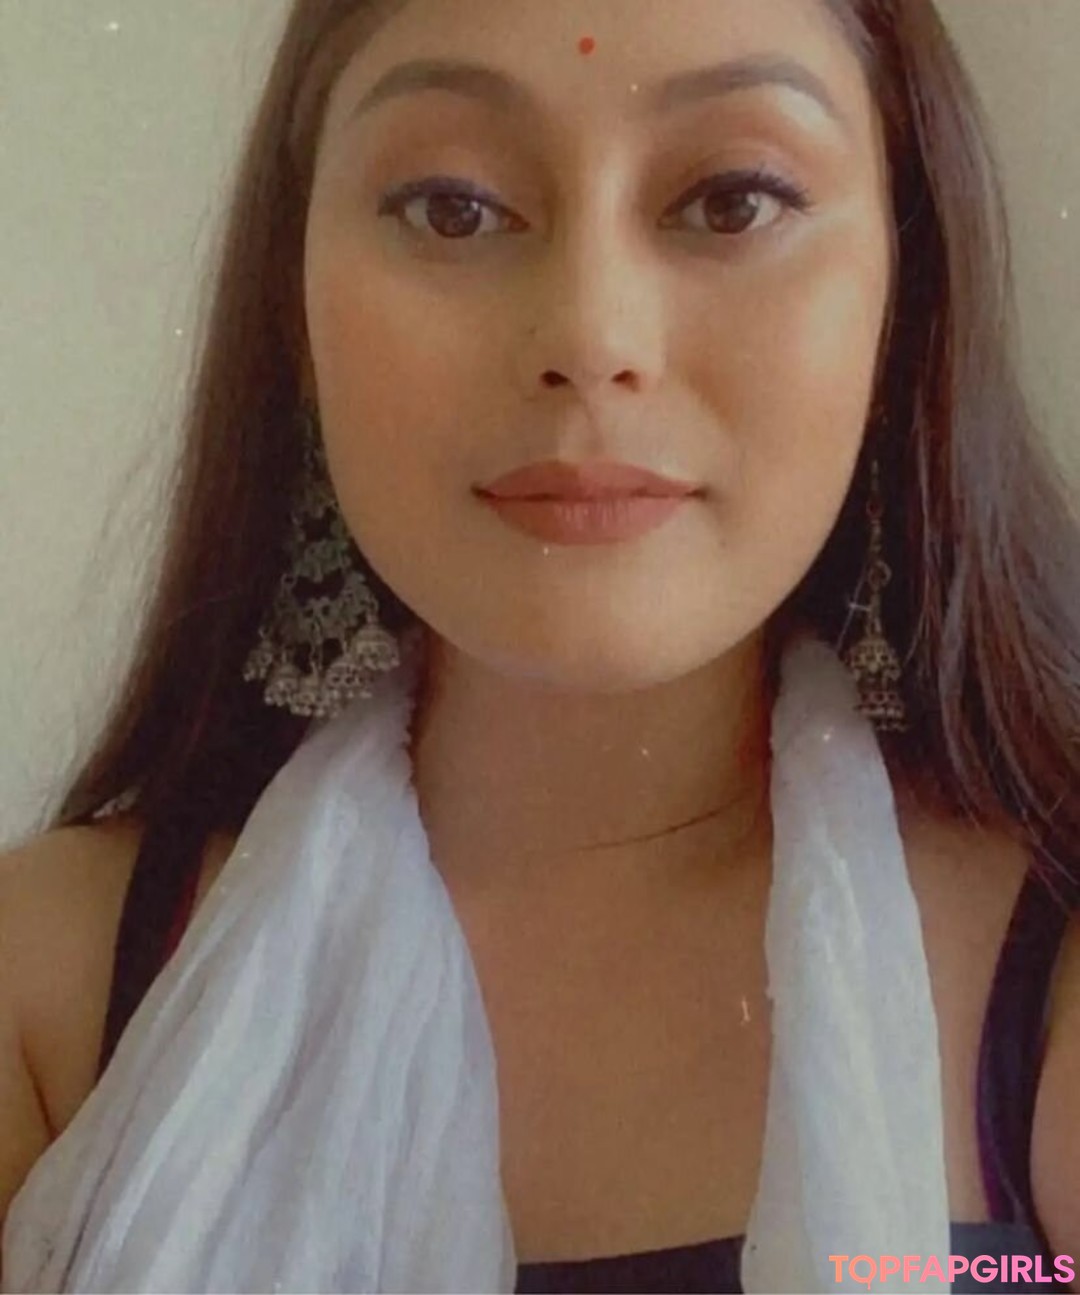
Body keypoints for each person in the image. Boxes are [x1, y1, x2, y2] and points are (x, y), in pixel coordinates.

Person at [2, 0, 1079, 1290]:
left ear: (906, 295)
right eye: (454, 209)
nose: (591, 336)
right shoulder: (46, 1000)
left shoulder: (1051, 985)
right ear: (296, 306)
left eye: (732, 200)